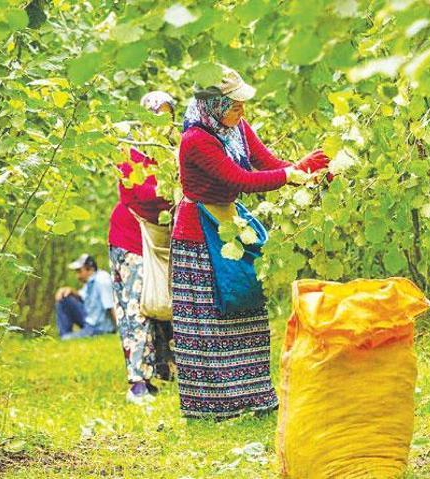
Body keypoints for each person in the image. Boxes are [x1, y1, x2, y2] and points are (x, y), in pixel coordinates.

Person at [171, 66, 330, 419]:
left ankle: (255, 397)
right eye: (235, 105)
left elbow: (268, 164)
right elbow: (241, 178)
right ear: (214, 104)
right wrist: (289, 176)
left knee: (245, 305)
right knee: (211, 317)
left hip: (231, 225)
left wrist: (307, 171)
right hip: (199, 233)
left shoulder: (237, 129)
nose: (242, 112)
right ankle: (214, 407)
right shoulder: (195, 139)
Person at [108, 91, 176, 404]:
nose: (161, 121)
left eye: (167, 114)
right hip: (131, 238)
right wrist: (174, 192)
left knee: (162, 304)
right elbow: (139, 196)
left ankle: (163, 368)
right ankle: (137, 380)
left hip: (163, 240)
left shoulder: (172, 152)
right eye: (155, 115)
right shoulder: (131, 154)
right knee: (136, 307)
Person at [55, 254, 117, 340]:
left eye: (79, 271)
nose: (78, 276)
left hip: (99, 327)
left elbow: (111, 306)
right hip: (90, 320)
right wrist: (69, 290)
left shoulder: (102, 281)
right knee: (64, 299)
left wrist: (120, 331)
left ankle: (65, 338)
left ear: (90, 269)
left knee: (67, 338)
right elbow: (82, 296)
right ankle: (64, 335)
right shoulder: (91, 281)